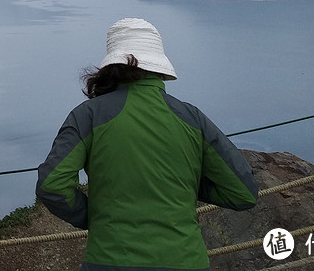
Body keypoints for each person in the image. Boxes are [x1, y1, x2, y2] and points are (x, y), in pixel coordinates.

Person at [36, 17, 258, 271]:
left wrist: (92, 216)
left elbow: (52, 185)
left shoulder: (88, 116)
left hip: (109, 261)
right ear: (159, 65)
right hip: (186, 262)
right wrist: (190, 187)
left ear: (111, 65)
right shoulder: (192, 118)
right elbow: (244, 192)